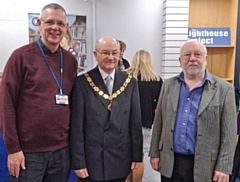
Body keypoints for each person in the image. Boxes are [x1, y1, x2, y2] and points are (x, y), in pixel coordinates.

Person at [0, 3, 77, 182]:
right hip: (28, 153)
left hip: (61, 152)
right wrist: (13, 149)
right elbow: (6, 105)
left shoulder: (70, 61)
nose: (54, 28)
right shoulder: (21, 57)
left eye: (60, 23)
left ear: (66, 27)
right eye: (49, 22)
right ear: (39, 24)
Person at [149, 40, 237, 182]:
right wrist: (154, 153)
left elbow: (229, 133)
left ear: (206, 59)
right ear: (180, 60)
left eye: (197, 54)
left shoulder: (224, 89)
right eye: (187, 55)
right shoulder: (168, 85)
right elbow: (159, 122)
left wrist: (224, 167)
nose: (192, 59)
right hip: (171, 163)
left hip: (207, 166)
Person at [70, 36, 143, 182]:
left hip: (120, 158)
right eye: (105, 53)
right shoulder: (82, 82)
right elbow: (76, 126)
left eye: (114, 53)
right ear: (95, 55)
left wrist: (136, 155)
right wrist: (78, 161)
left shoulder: (130, 82)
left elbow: (135, 122)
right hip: (92, 161)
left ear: (119, 55)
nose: (110, 57)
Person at [125, 50, 163, 182]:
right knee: (139, 156)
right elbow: (159, 106)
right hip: (147, 123)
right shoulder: (157, 80)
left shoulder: (125, 77)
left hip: (126, 122)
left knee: (126, 157)